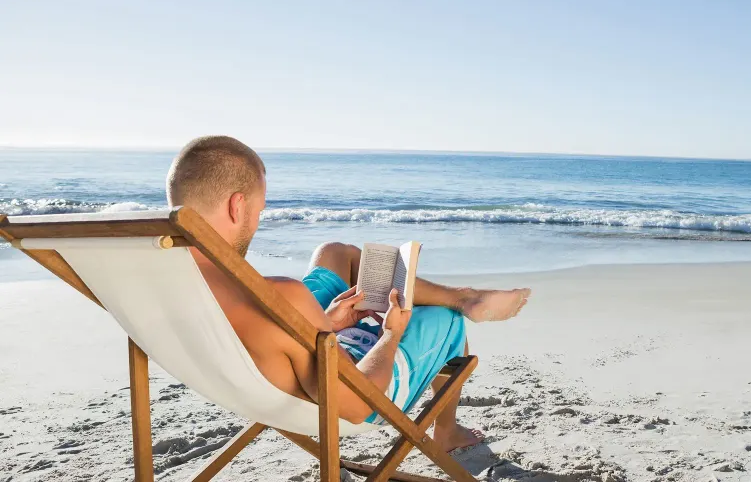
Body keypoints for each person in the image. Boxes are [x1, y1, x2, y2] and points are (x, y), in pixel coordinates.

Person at [165, 135, 530, 452]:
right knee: (446, 320)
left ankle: (464, 295)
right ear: (237, 205)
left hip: (259, 365)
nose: (258, 221)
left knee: (335, 254)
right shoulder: (281, 296)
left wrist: (324, 323)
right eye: (259, 210)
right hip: (341, 393)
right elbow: (357, 405)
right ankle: (446, 427)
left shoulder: (153, 282)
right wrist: (391, 334)